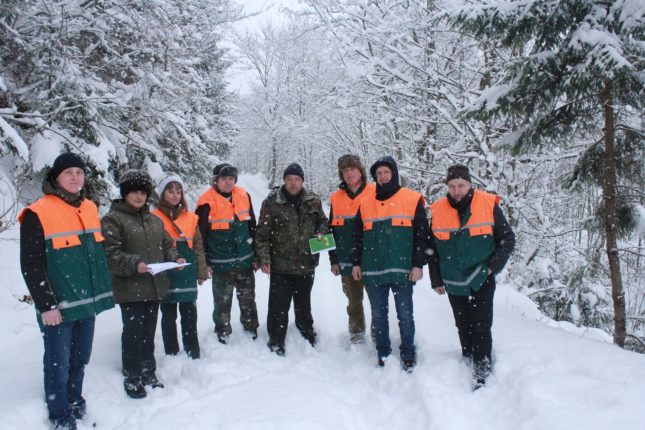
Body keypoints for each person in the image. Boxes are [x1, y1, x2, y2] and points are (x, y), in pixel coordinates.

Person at [19, 152, 114, 430]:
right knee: (58, 362)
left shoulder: (89, 208)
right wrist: (46, 304)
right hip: (58, 307)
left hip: (86, 302)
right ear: (56, 177)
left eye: (80, 173)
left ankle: (75, 402)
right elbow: (32, 264)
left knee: (80, 358)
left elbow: (95, 255)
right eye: (69, 172)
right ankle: (60, 415)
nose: (75, 177)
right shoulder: (38, 212)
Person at [427, 164, 515, 390]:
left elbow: (507, 240)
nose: (457, 190)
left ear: (469, 184)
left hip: (481, 277)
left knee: (481, 325)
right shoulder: (437, 209)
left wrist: (491, 268)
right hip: (453, 279)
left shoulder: (487, 204)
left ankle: (482, 364)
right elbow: (432, 248)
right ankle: (467, 355)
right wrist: (435, 279)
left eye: (461, 185)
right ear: (447, 186)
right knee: (462, 323)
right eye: (453, 186)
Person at [101, 169, 184, 399]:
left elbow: (167, 244)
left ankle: (149, 372)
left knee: (148, 332)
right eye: (134, 192)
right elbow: (111, 255)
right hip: (130, 288)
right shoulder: (113, 219)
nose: (139, 197)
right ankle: (132, 376)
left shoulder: (154, 220)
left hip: (154, 285)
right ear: (125, 193)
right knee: (133, 333)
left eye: (143, 192)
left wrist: (174, 257)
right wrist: (134, 263)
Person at [351, 156, 428, 372]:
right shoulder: (365, 204)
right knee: (379, 315)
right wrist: (356, 263)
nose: (383, 176)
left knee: (405, 315)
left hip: (403, 270)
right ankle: (383, 352)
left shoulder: (411, 199)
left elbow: (422, 235)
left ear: (394, 173)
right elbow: (357, 237)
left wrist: (417, 264)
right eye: (379, 173)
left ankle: (408, 353)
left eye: (386, 172)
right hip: (373, 270)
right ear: (375, 177)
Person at [256, 163, 329, 356]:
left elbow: (323, 221)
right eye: (289, 179)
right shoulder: (271, 202)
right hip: (280, 265)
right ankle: (276, 340)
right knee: (278, 307)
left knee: (304, 304)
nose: (293, 183)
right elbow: (262, 234)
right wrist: (264, 258)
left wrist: (322, 232)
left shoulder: (313, 200)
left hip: (306, 263)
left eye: (297, 179)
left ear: (302, 181)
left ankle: (306, 332)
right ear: (284, 181)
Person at [195, 163, 259, 344]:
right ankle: (222, 329)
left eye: (231, 178)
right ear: (216, 180)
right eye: (224, 178)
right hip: (220, 262)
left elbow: (252, 226)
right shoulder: (206, 202)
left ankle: (250, 326)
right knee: (222, 302)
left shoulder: (243, 195)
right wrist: (205, 262)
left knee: (248, 298)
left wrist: (255, 255)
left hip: (245, 261)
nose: (228, 182)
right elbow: (200, 235)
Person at [152, 173, 209, 359]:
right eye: (170, 191)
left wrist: (201, 271)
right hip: (166, 272)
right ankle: (171, 352)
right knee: (168, 316)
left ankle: (193, 350)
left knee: (189, 315)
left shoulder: (191, 218)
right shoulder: (153, 217)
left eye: (178, 191)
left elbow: (198, 246)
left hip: (187, 270)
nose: (175, 195)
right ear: (162, 194)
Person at [328, 154, 375, 344]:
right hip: (346, 259)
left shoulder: (374, 192)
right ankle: (356, 334)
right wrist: (333, 260)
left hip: (372, 259)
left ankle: (377, 333)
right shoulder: (336, 197)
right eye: (344, 171)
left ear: (360, 170)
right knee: (354, 301)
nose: (348, 174)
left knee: (377, 301)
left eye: (352, 169)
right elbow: (330, 230)